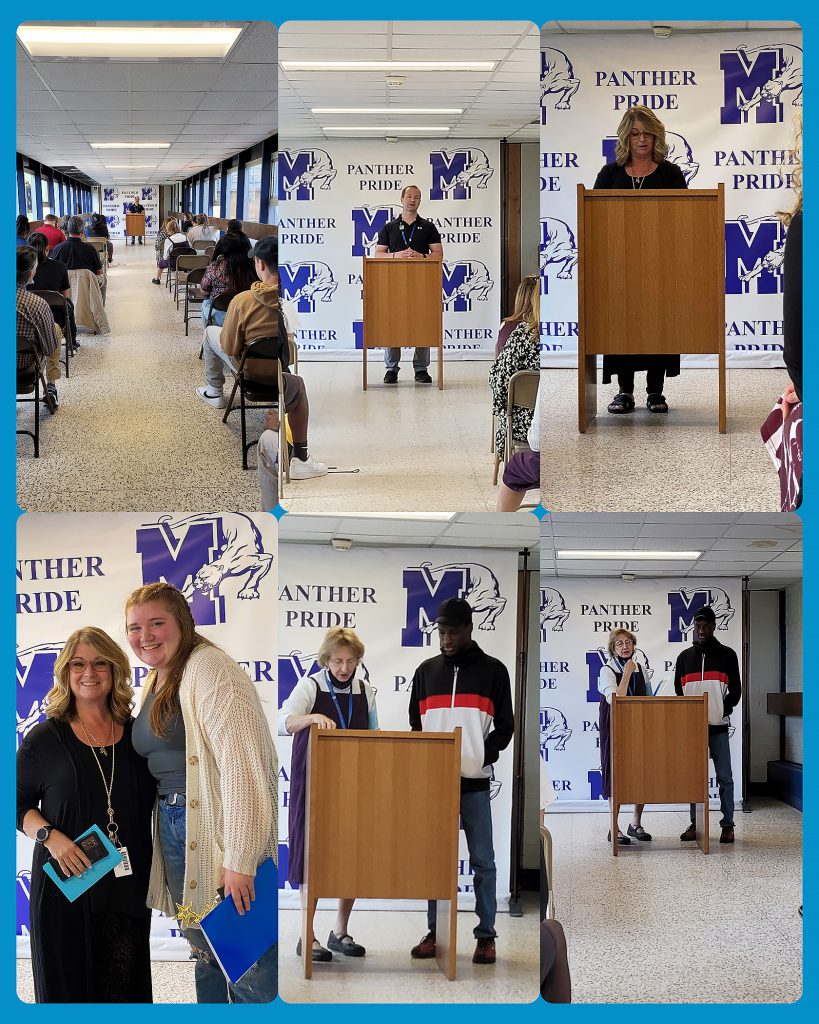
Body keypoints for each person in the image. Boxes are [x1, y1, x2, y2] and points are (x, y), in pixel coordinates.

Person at [126, 582, 278, 1003]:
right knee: (204, 948)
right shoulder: (158, 678)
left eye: (157, 623)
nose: (146, 636)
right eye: (135, 628)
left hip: (217, 830)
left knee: (247, 959)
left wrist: (241, 858)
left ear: (183, 623)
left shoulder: (209, 669)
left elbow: (242, 765)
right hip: (177, 829)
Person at [16, 627, 156, 1002]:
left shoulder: (138, 736)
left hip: (125, 887)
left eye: (99, 663)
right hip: (67, 886)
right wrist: (51, 838)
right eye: (78, 663)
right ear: (65, 672)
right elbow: (16, 804)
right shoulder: (43, 739)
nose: (88, 672)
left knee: (124, 991)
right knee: (69, 993)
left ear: (114, 671)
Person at [408, 597, 514, 965]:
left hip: (474, 783)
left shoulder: (494, 671)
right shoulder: (425, 672)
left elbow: (506, 727)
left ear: (469, 629)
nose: (447, 638)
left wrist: (483, 755)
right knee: (436, 860)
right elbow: (416, 726)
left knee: (483, 860)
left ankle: (486, 936)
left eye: (454, 631)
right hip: (435, 784)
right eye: (442, 631)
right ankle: (435, 932)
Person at [278, 627, 378, 962]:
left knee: (351, 856)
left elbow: (375, 735)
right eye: (338, 660)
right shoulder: (311, 686)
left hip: (355, 783)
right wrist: (313, 717)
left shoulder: (366, 690)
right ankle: (307, 935)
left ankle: (340, 931)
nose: (344, 668)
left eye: (351, 661)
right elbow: (284, 722)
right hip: (315, 785)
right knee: (312, 857)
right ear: (326, 659)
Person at [197, 234, 328, 481]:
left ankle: (214, 390)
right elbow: (290, 343)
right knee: (298, 385)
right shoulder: (287, 301)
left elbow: (229, 344)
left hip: (248, 372)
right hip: (279, 375)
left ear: (260, 263)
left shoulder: (242, 301)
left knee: (210, 333)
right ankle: (300, 456)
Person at [593, 105, 688, 415]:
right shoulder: (610, 173)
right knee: (623, 327)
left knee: (657, 326)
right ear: (626, 138)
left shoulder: (671, 173)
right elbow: (595, 217)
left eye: (648, 134)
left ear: (656, 137)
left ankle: (655, 391)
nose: (642, 140)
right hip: (618, 267)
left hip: (661, 266)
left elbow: (683, 218)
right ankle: (624, 391)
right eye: (635, 134)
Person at [674, 606, 741, 844]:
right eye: (698, 626)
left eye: (705, 626)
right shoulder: (683, 658)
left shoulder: (728, 655)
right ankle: (696, 824)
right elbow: (678, 692)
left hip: (718, 727)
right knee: (694, 778)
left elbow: (736, 691)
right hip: (693, 730)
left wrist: (724, 709)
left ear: (713, 627)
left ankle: (728, 826)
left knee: (725, 778)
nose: (701, 630)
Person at [375, 184, 444, 384]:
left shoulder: (429, 227)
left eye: (416, 197)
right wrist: (397, 255)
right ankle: (391, 369)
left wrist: (421, 256)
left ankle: (421, 369)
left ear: (419, 202)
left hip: (422, 286)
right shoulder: (390, 227)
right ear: (402, 199)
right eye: (409, 196)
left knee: (422, 323)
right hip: (393, 285)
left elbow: (438, 255)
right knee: (392, 324)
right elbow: (378, 255)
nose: (412, 200)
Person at [598, 628, 654, 844]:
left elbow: (649, 698)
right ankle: (615, 828)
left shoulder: (641, 668)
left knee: (641, 772)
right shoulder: (607, 670)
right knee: (616, 774)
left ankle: (635, 823)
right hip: (615, 726)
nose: (625, 646)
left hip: (638, 725)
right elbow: (617, 699)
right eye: (619, 643)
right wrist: (628, 673)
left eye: (628, 642)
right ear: (613, 648)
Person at [489, 273, 540, 454]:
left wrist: (501, 407)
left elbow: (500, 382)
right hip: (560, 419)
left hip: (522, 420)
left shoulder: (518, 333)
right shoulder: (563, 337)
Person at [17, 245, 61, 407]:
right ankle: (51, 386)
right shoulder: (37, 304)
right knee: (54, 329)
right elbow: (49, 349)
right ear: (30, 274)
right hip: (23, 366)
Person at [27, 231, 77, 355]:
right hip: (55, 316)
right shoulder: (60, 266)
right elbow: (64, 296)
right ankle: (73, 342)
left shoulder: (22, 268)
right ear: (47, 249)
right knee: (68, 304)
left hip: (27, 315)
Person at [199, 232, 259, 332]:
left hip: (221, 315)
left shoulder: (216, 267)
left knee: (206, 302)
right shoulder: (255, 267)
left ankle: (208, 339)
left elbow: (204, 290)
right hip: (249, 316)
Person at [496, 379, 540, 511]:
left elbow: (499, 395)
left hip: (518, 427)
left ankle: (500, 525)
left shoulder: (511, 358)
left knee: (514, 468)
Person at [152, 216, 176, 285]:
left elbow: (157, 247)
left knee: (162, 260)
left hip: (164, 257)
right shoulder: (179, 235)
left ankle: (157, 278)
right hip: (177, 257)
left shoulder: (161, 233)